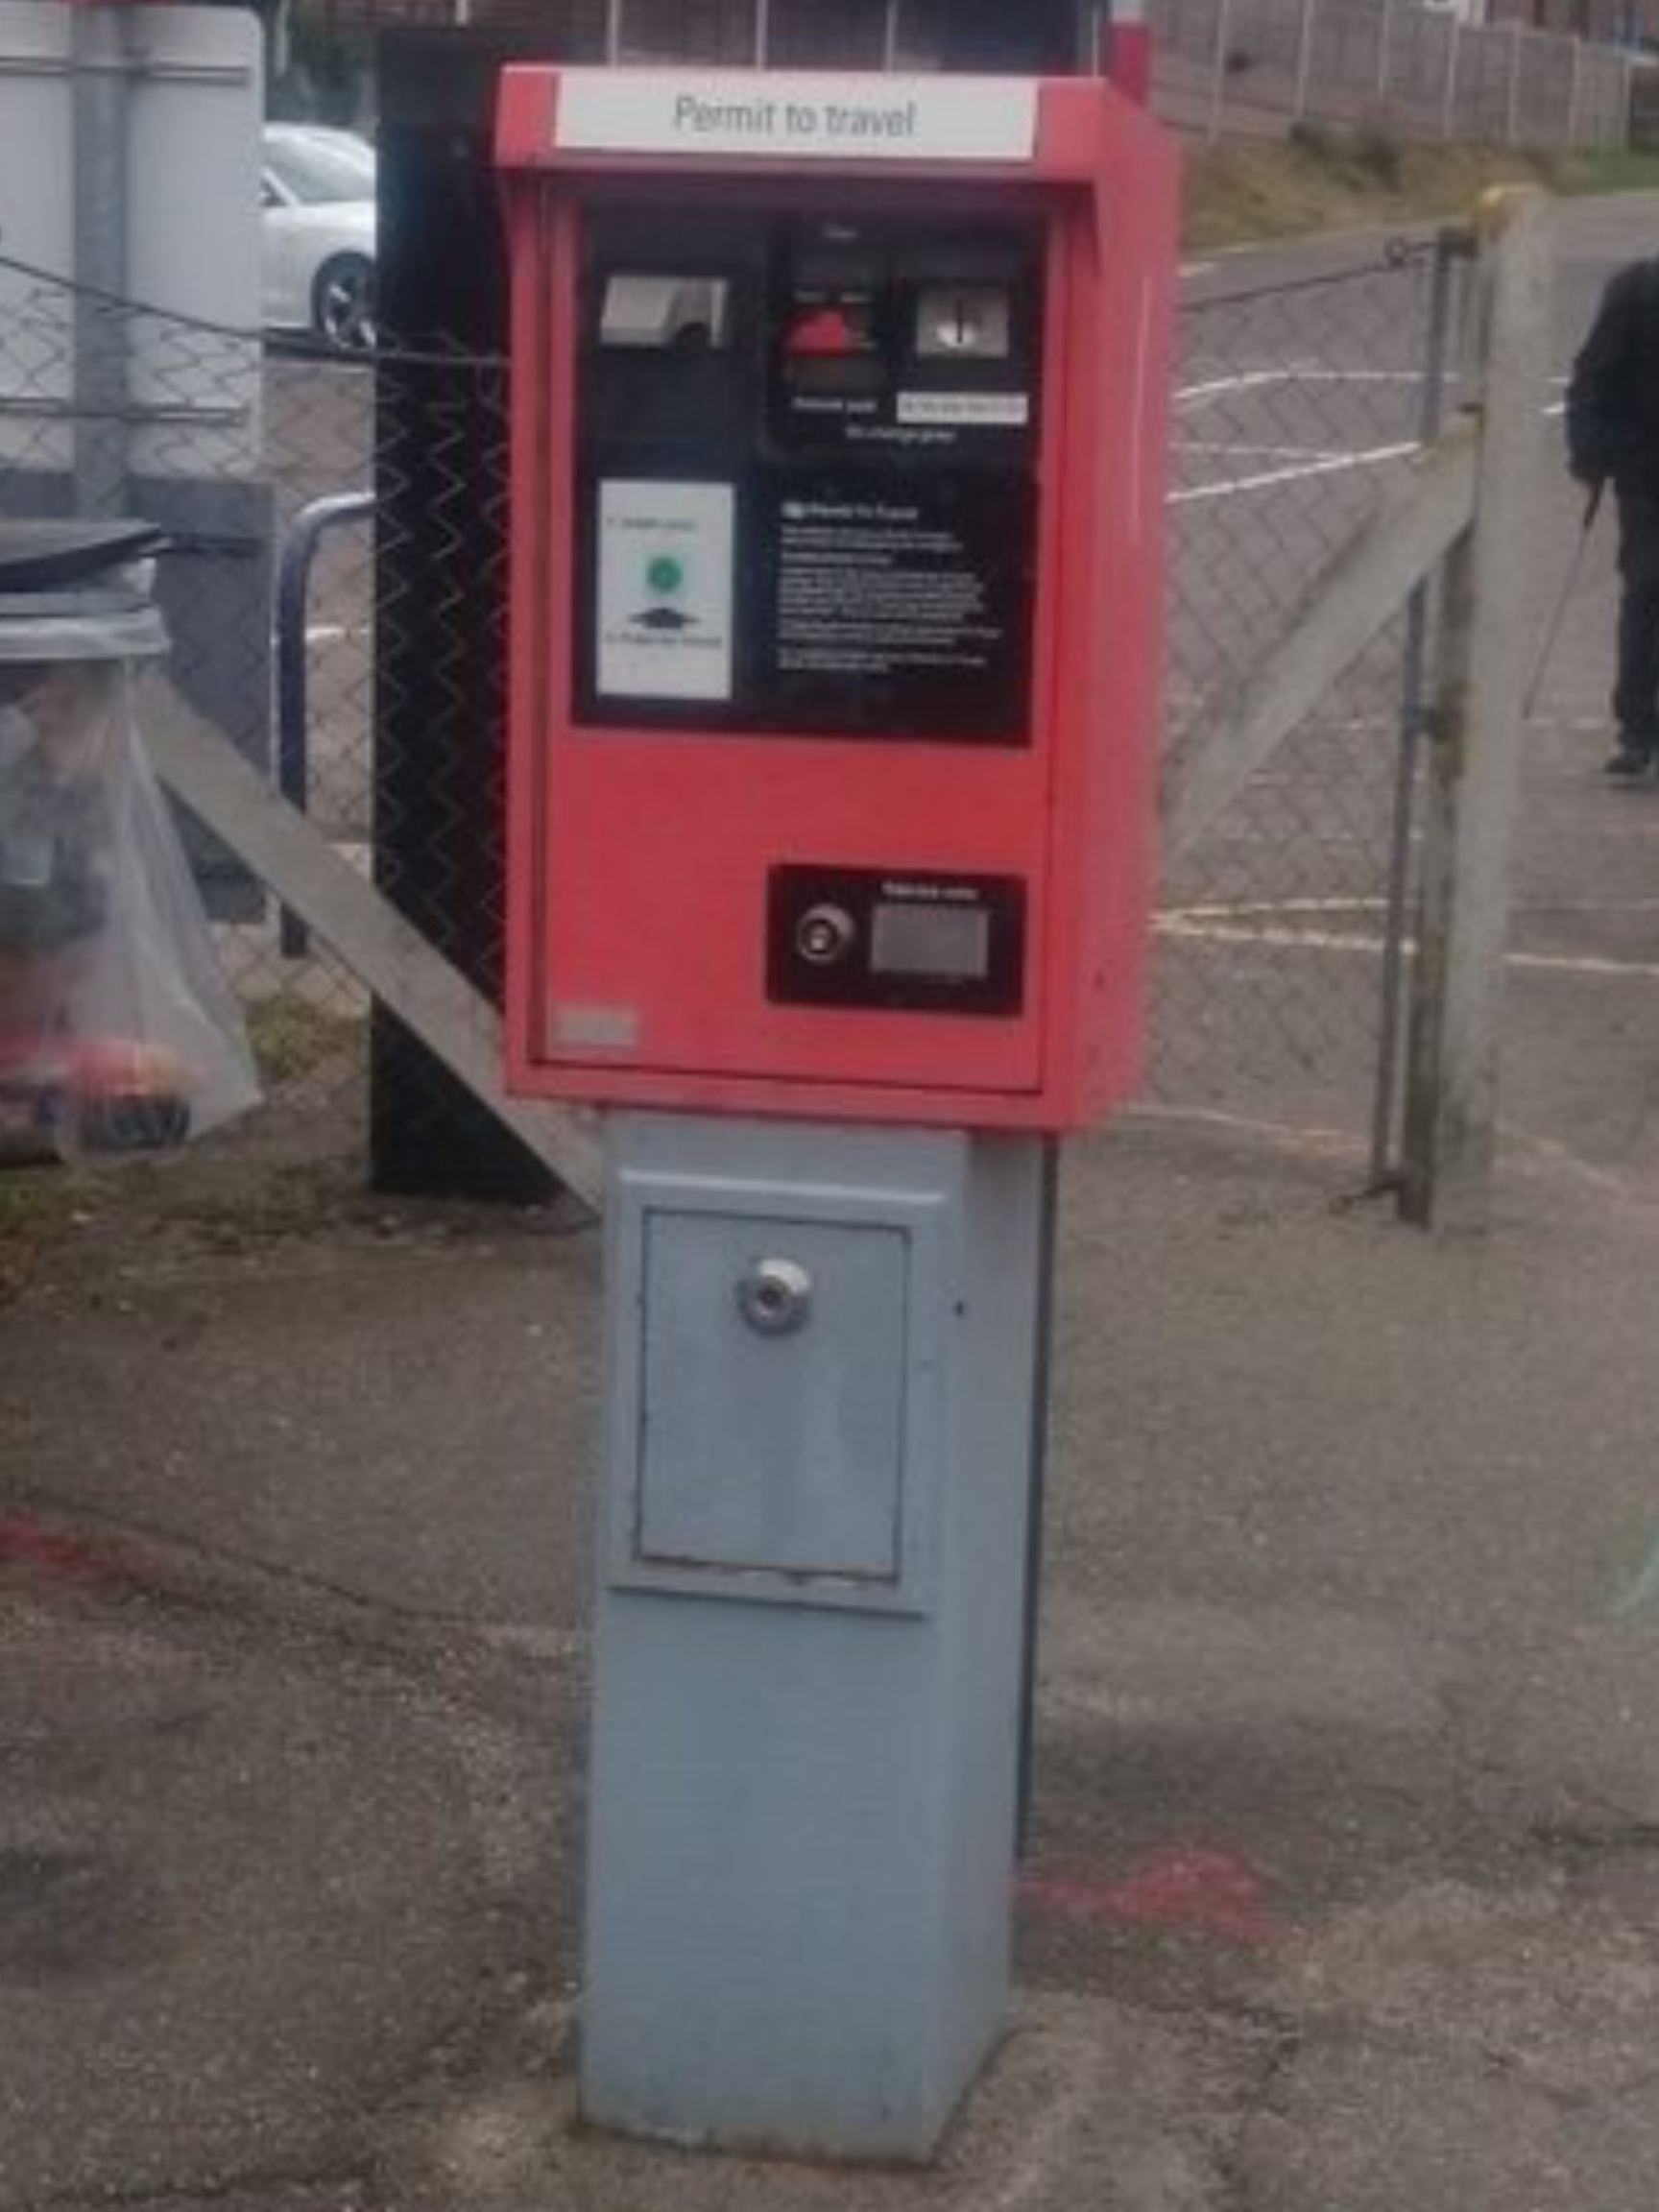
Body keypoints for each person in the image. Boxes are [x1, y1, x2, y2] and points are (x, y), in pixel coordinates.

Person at [1566, 255, 1659, 779]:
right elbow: (1593, 377)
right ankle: (1639, 729)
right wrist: (1589, 453)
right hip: (1649, 471)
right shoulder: (1639, 290)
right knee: (1647, 592)